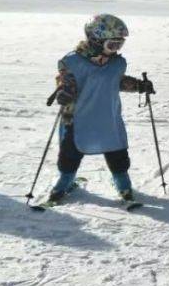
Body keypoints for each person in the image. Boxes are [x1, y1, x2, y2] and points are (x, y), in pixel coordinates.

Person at [47, 14, 155, 203]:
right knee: (70, 154)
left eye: (119, 45)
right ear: (96, 41)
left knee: (117, 152)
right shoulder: (71, 62)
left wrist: (138, 85)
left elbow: (116, 81)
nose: (115, 50)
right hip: (77, 118)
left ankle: (123, 183)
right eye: (111, 45)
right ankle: (64, 182)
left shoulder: (116, 63)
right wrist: (65, 92)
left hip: (108, 117)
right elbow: (66, 81)